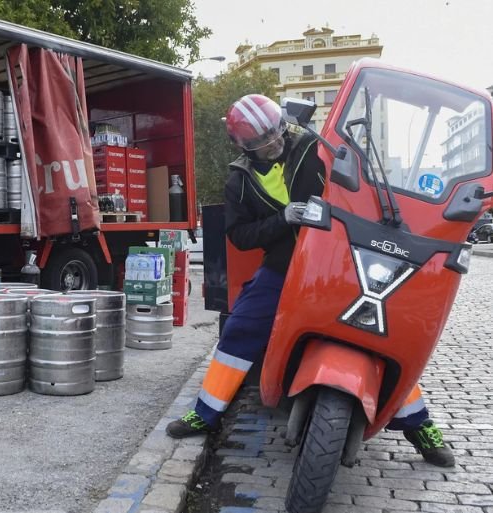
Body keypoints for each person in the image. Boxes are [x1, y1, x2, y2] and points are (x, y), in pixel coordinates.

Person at [165, 94, 454, 468]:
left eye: (273, 133)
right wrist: (283, 218)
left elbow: (361, 186)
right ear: (242, 145)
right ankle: (205, 413)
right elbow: (239, 235)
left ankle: (420, 425)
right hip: (285, 265)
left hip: (340, 259)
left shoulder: (316, 148)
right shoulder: (239, 179)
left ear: (281, 124)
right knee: (240, 327)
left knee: (379, 335)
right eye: (259, 141)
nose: (272, 144)